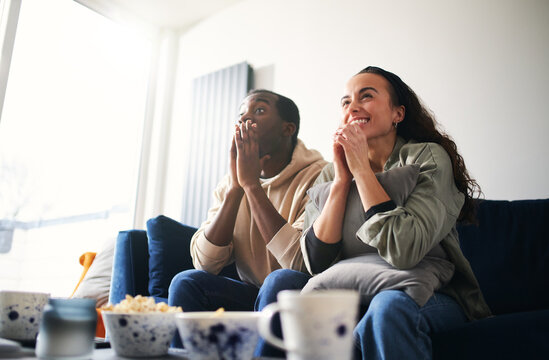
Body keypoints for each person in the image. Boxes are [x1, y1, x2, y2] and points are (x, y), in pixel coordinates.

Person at [256, 67, 492, 359]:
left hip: (431, 294)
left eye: (366, 97)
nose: (353, 107)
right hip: (346, 293)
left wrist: (361, 170)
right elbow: (315, 263)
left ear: (398, 114)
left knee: (386, 307)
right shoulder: (330, 172)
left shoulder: (427, 157)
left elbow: (404, 250)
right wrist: (343, 181)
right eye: (345, 102)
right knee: (280, 283)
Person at [167, 89, 327, 344]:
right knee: (186, 282)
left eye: (259, 110)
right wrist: (236, 188)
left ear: (288, 129)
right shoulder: (230, 182)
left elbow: (298, 264)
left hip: (300, 291)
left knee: (280, 281)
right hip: (251, 292)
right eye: (241, 113)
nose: (244, 119)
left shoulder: (320, 176)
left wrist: (252, 186)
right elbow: (206, 264)